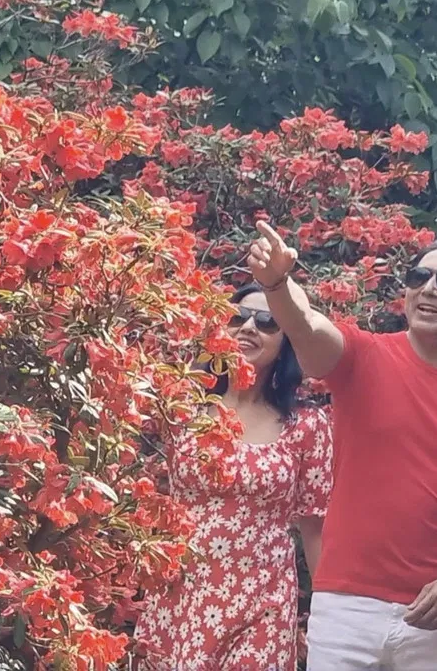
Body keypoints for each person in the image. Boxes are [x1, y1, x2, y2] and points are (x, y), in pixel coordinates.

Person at [246, 221, 437, 669]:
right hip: (345, 609)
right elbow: (308, 330)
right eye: (419, 277)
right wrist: (278, 284)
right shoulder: (364, 356)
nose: (429, 289)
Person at [135, 283, 333, 670]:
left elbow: (315, 529)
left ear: (287, 342)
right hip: (182, 598)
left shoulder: (306, 426)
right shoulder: (182, 409)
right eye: (237, 317)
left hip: (264, 605)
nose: (248, 328)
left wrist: (328, 615)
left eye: (268, 322)